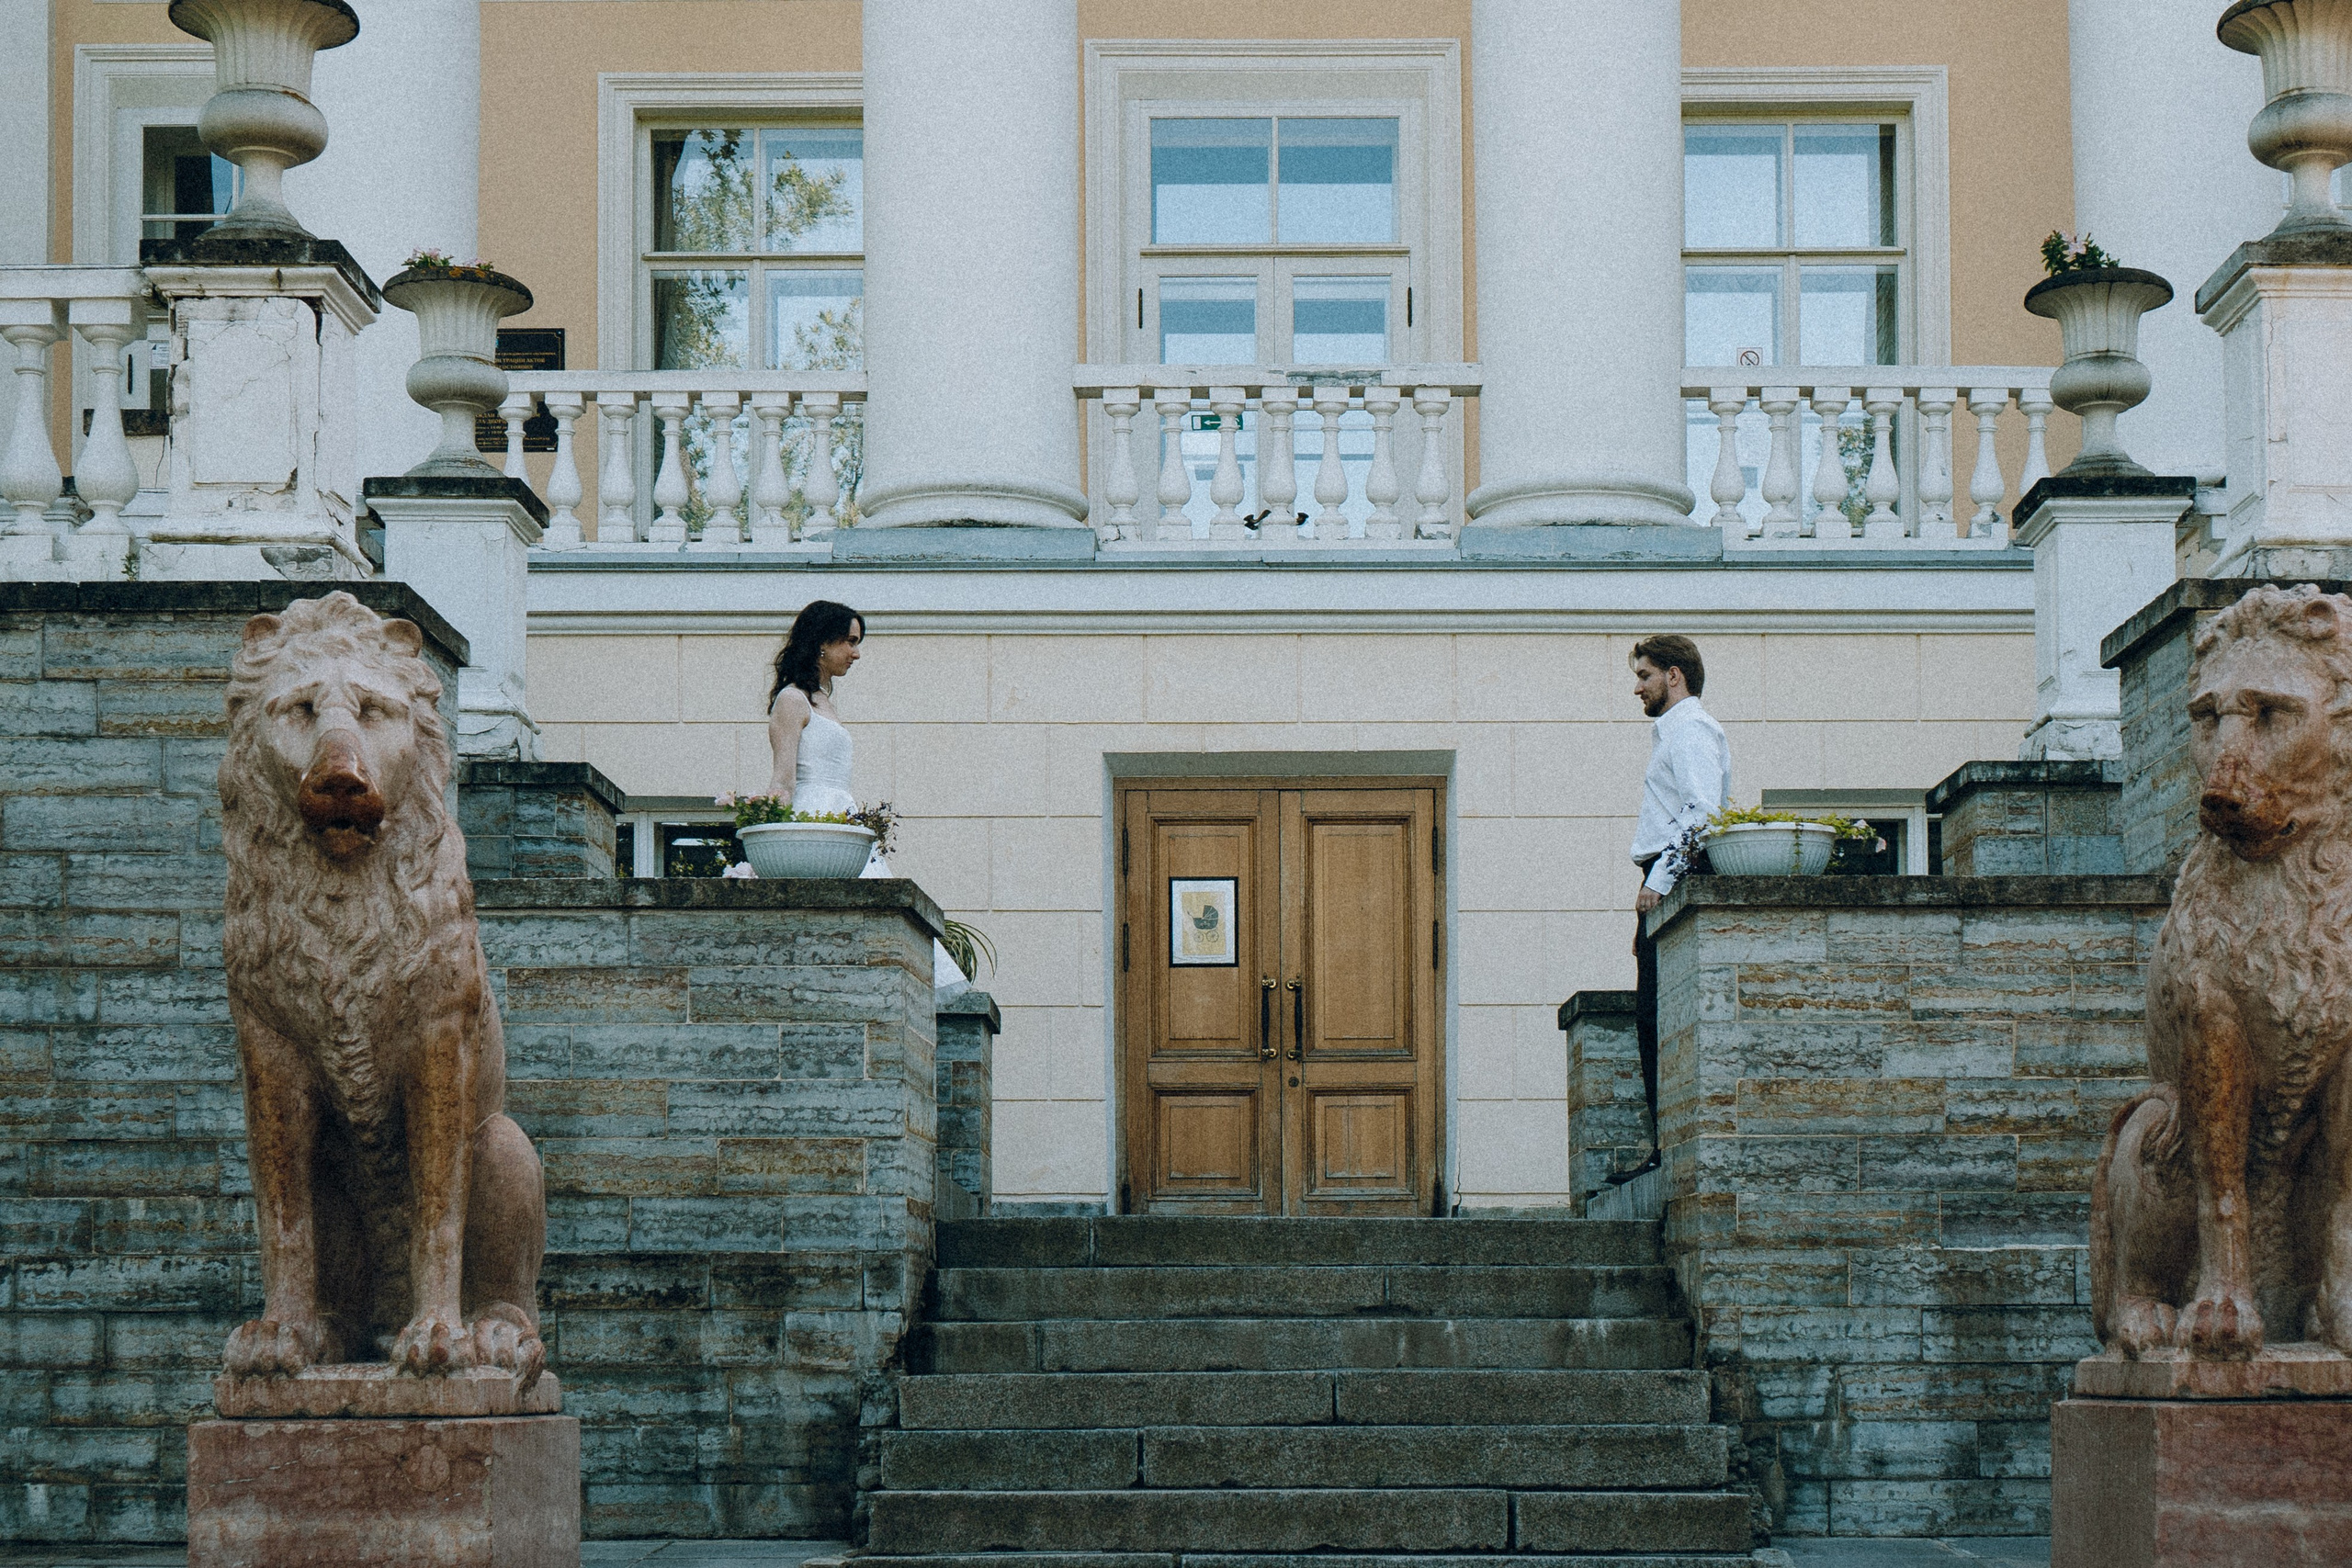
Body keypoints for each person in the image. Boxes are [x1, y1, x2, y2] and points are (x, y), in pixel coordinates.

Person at [763, 600, 967, 986]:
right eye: (850, 642)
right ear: (823, 642)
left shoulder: (822, 699)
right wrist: (768, 833)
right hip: (815, 820)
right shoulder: (792, 700)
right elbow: (782, 780)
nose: (856, 653)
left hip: (841, 815)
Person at [1621, 633, 1731, 1180]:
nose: (1637, 688)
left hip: (1676, 875)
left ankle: (1668, 1150)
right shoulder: (1678, 733)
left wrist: (1660, 881)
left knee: (1661, 1019)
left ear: (1674, 676)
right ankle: (1663, 1147)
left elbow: (1703, 812)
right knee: (1655, 1016)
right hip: (1668, 874)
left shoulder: (1689, 731)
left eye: (1644, 676)